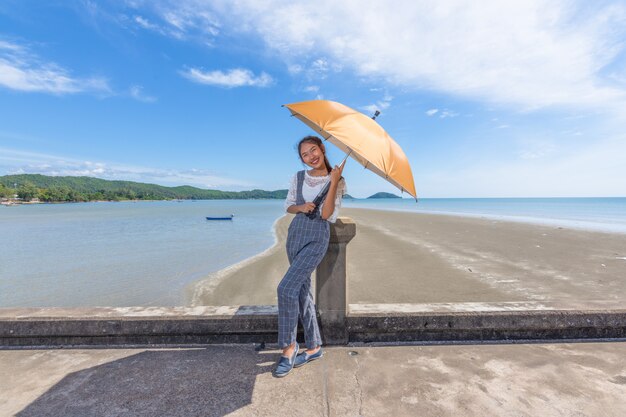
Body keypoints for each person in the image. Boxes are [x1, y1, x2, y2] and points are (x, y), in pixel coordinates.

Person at [273, 135, 347, 378]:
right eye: (305, 154)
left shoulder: (338, 180)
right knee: (302, 292)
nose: (310, 156)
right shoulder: (298, 177)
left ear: (323, 149)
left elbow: (327, 215)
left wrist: (333, 181)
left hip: (317, 237)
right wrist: (301, 206)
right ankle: (314, 347)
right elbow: (288, 206)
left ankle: (289, 347)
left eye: (313, 150)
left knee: (285, 288)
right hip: (295, 235)